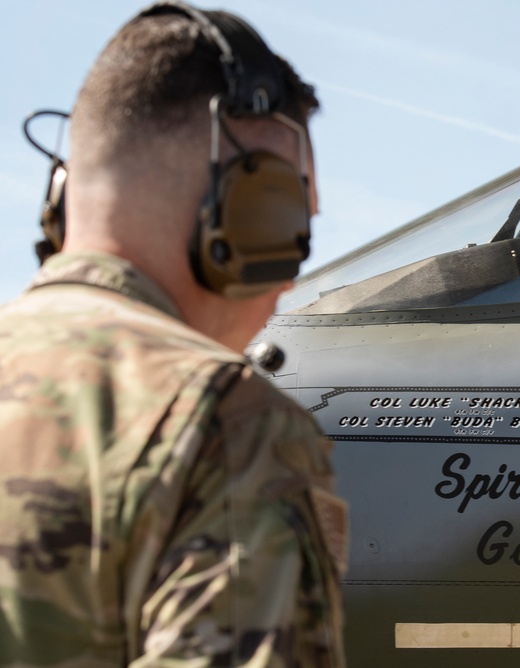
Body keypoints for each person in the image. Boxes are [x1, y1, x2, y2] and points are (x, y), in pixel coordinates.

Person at [0, 3, 347, 666]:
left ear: (61, 196)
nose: (290, 281)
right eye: (293, 226)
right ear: (247, 218)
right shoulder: (224, 427)